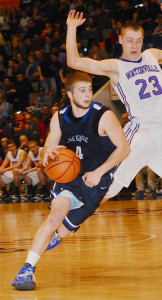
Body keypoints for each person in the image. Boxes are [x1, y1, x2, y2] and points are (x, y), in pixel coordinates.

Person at [64, 1, 162, 238]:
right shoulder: (115, 66)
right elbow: (75, 62)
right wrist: (72, 28)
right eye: (130, 40)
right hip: (141, 133)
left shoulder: (152, 56)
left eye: (139, 40)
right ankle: (70, 217)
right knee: (110, 187)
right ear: (120, 40)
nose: (135, 45)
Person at [11, 71, 130, 290]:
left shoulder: (104, 116)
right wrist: (48, 151)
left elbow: (124, 149)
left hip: (97, 181)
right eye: (82, 91)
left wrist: (99, 172)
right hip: (69, 177)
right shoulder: (59, 116)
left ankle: (61, 233)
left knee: (63, 230)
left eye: (90, 90)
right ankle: (27, 269)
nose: (88, 94)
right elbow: (50, 144)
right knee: (55, 216)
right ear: (69, 94)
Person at [0, 139, 27, 203]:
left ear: (16, 146)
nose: (11, 148)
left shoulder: (22, 152)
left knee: (14, 170)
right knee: (12, 171)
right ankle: (5, 193)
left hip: (24, 172)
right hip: (14, 172)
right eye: (9, 147)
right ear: (8, 148)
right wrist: (1, 169)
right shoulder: (9, 153)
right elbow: (3, 165)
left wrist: (4, 169)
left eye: (13, 146)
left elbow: (18, 165)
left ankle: (17, 193)